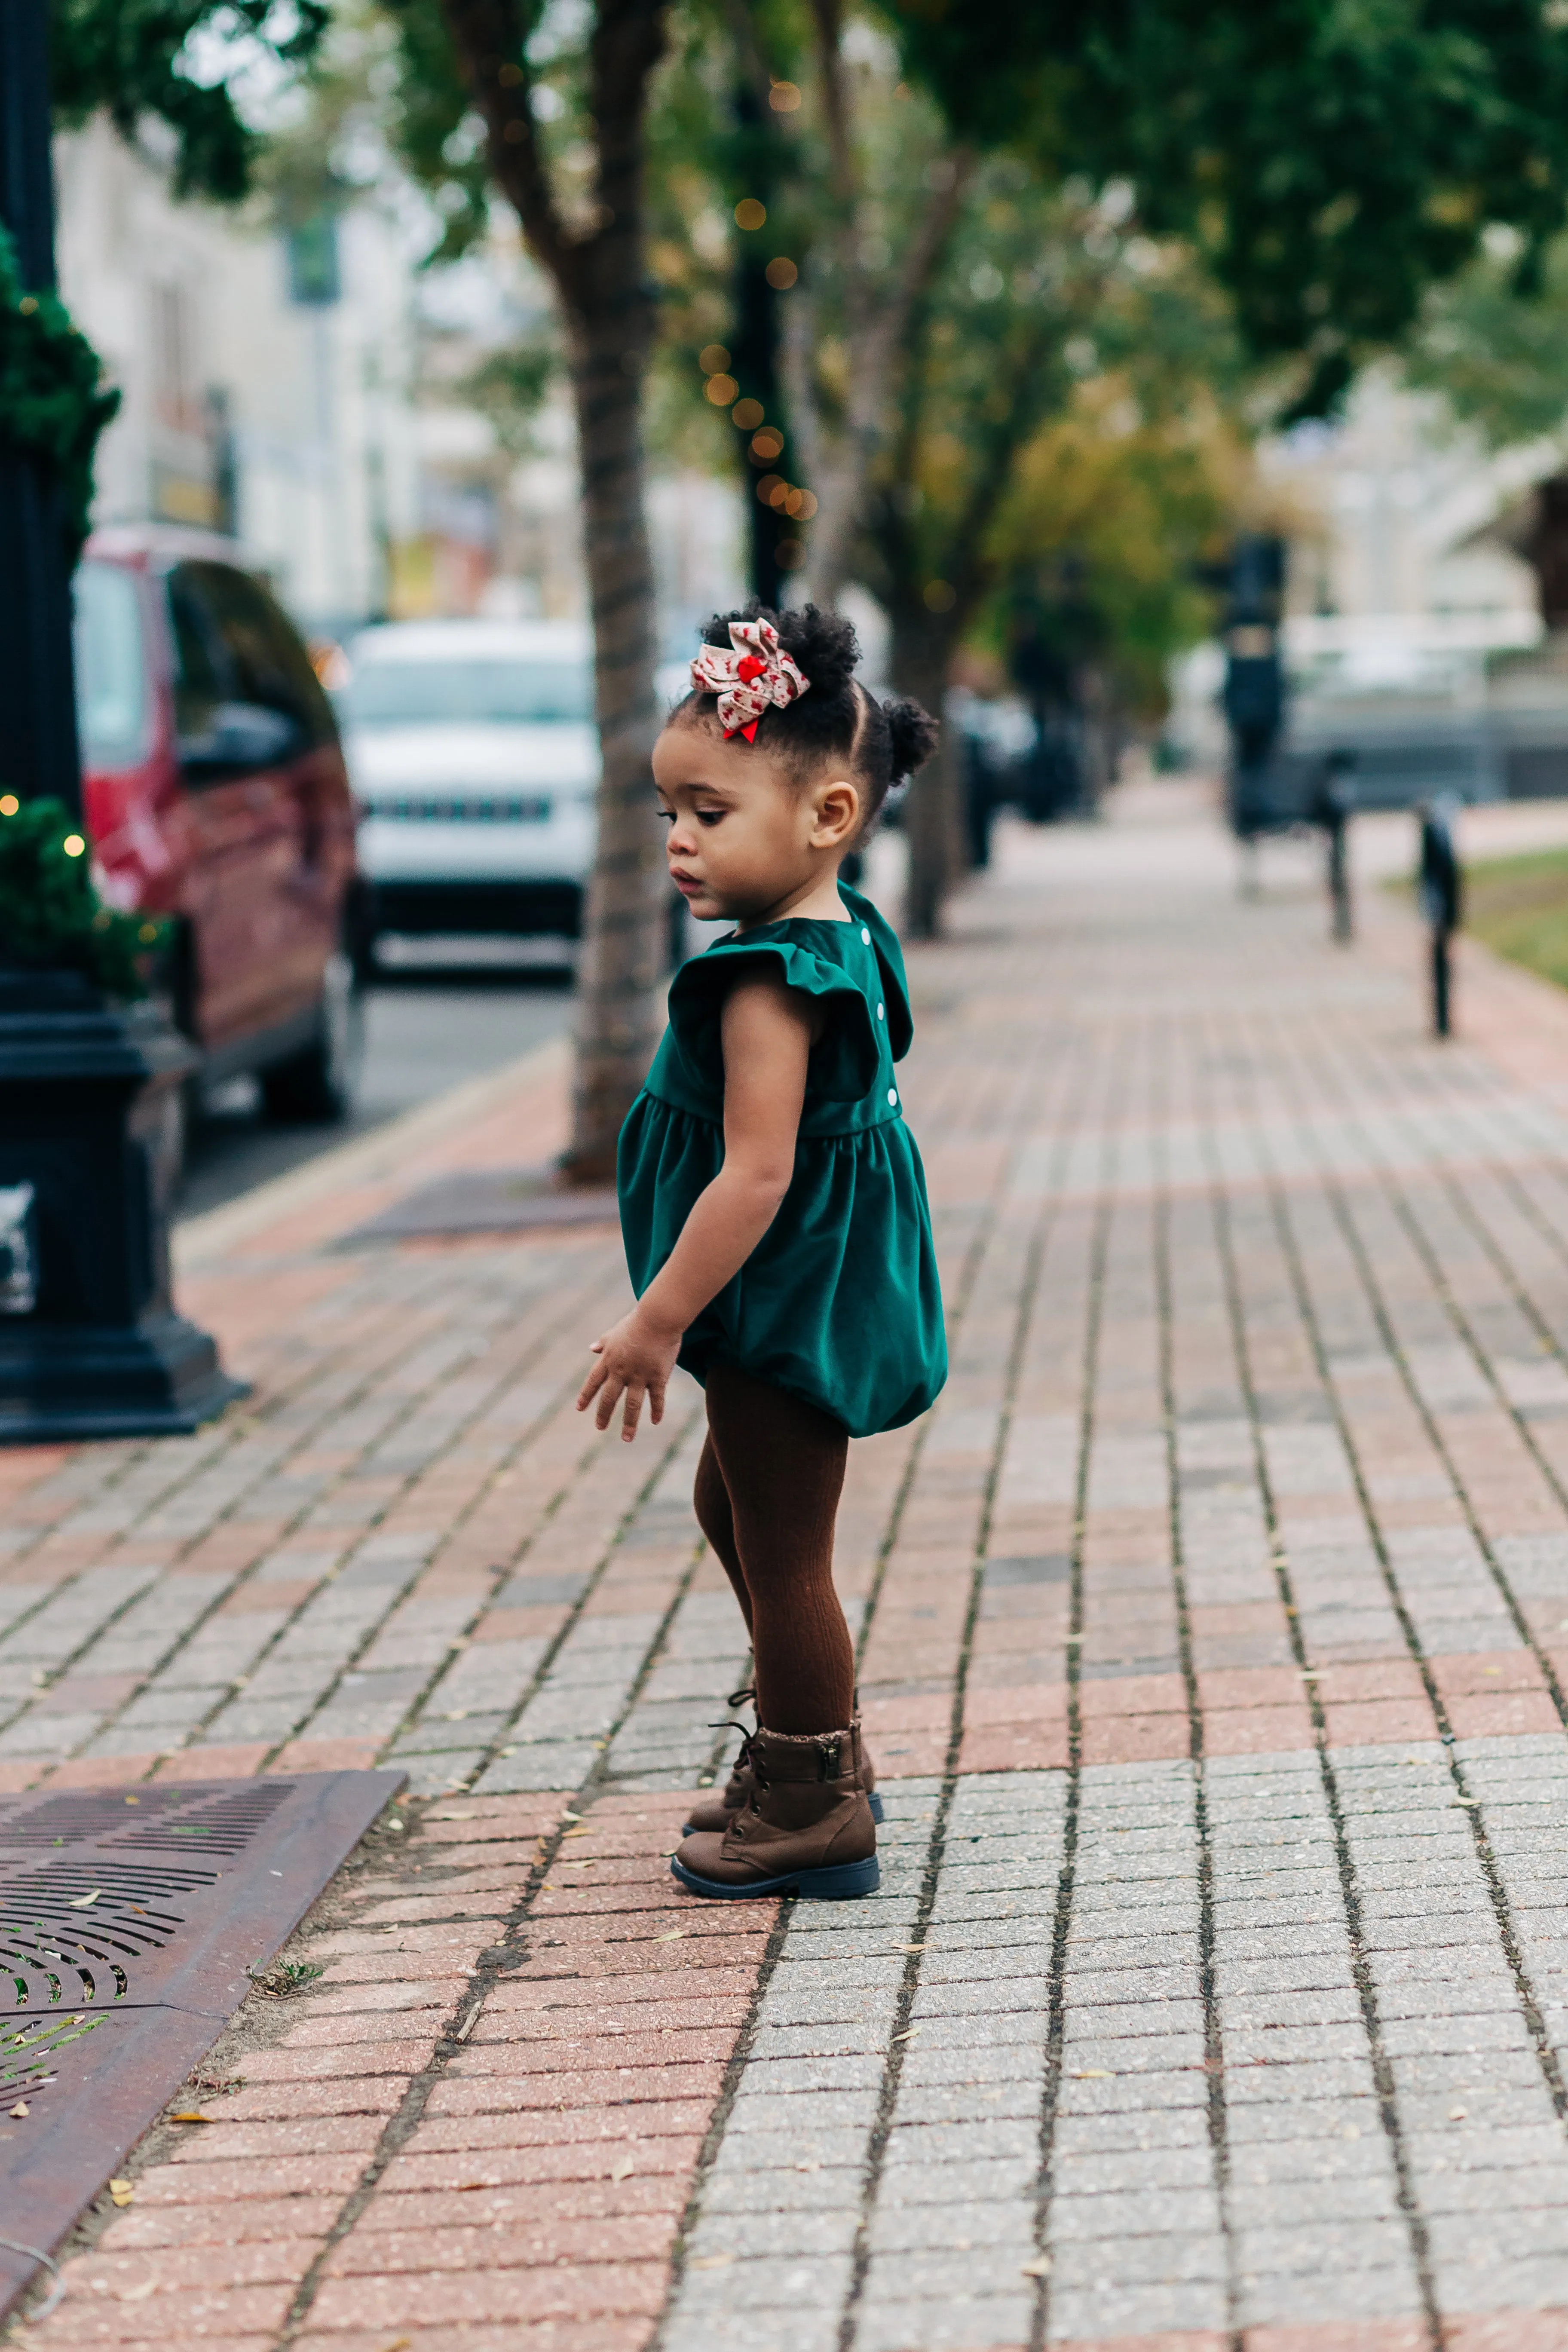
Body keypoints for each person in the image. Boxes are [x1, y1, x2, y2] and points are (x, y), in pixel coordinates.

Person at [576, 602, 947, 1900]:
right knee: (732, 1505)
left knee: (785, 1547)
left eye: (711, 813)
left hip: (782, 1295)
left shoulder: (766, 980)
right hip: (815, 1279)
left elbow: (758, 1171)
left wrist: (658, 1320)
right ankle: (820, 1742)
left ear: (828, 816)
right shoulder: (839, 935)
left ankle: (810, 1797)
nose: (679, 839)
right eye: (668, 810)